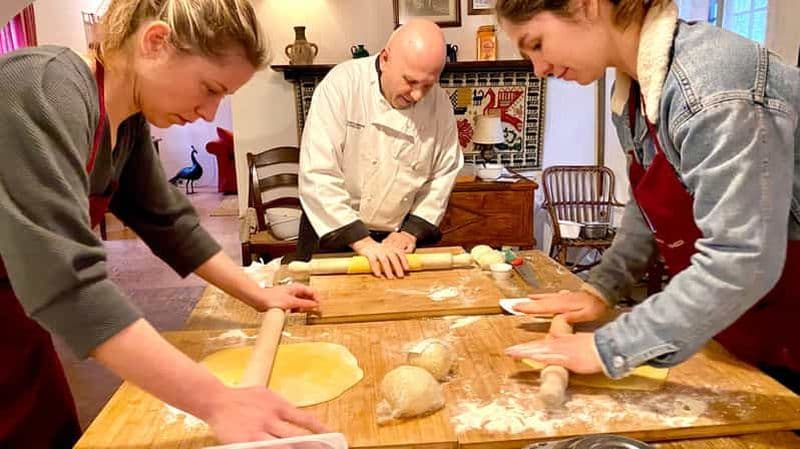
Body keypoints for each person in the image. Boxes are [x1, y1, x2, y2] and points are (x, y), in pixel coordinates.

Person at [0, 1, 328, 447]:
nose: (210, 113)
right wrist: (218, 402)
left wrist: (259, 293)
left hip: (16, 329)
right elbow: (66, 280)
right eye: (210, 89)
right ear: (156, 43)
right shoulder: (41, 88)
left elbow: (169, 222)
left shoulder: (127, 122)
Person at [496, 0, 799, 390]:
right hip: (743, 327)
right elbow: (651, 204)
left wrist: (610, 347)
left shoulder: (712, 87)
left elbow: (743, 259)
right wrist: (603, 288)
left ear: (585, 6)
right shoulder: (632, 96)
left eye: (536, 44)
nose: (538, 70)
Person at [297, 19, 463, 279]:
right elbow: (318, 172)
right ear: (385, 58)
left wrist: (411, 231)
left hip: (397, 240)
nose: (418, 95)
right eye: (410, 81)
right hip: (335, 231)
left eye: (428, 85)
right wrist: (362, 243)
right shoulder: (342, 85)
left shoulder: (440, 105)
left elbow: (443, 173)